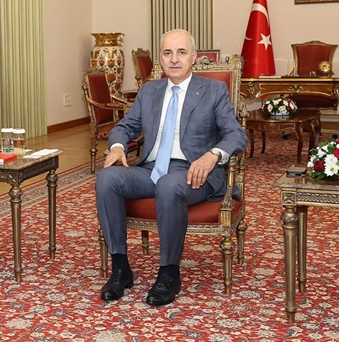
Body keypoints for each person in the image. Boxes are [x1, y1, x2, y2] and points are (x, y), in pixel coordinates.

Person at [95, 29, 247, 306]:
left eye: (181, 52)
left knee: (169, 184)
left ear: (193, 57)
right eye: (167, 53)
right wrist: (117, 146)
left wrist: (213, 155)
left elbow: (236, 134)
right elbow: (125, 127)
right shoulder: (149, 90)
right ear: (160, 58)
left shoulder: (213, 90)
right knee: (107, 178)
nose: (174, 59)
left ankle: (169, 274)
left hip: (194, 172)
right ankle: (120, 269)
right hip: (151, 169)